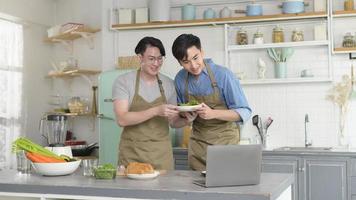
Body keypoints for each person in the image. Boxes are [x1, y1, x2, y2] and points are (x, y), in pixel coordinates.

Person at [112, 36, 195, 170]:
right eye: (151, 59)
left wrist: (187, 119)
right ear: (140, 58)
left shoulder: (168, 84)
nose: (156, 63)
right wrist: (156, 111)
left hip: (161, 156)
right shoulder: (124, 82)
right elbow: (122, 119)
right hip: (132, 155)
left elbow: (173, 122)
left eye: (160, 58)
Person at [172, 34, 252, 171]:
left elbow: (244, 111)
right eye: (186, 62)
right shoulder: (180, 79)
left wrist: (213, 113)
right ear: (179, 62)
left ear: (202, 52)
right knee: (196, 189)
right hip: (198, 147)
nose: (193, 65)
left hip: (225, 144)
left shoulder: (224, 75)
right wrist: (187, 119)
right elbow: (176, 120)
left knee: (224, 187)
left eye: (196, 58)